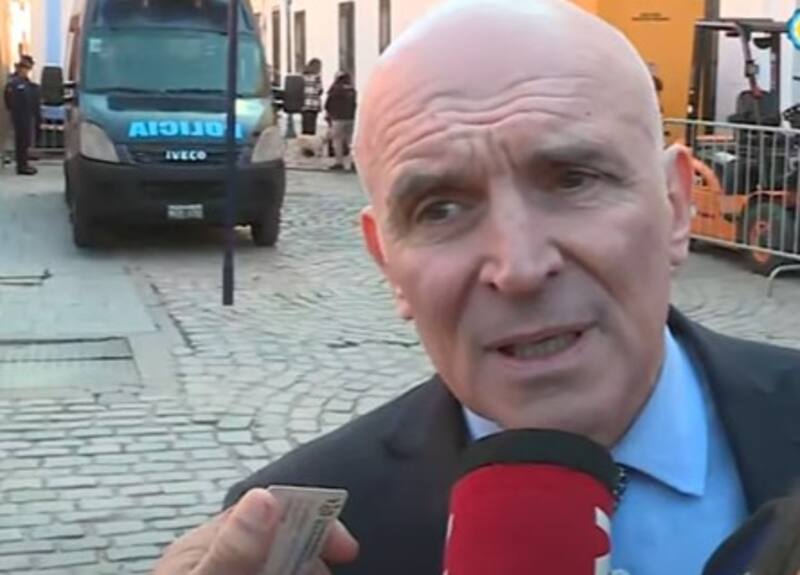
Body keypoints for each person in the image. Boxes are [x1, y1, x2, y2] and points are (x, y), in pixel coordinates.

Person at [153, 1, 800, 574]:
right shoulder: (291, 543)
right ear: (387, 262)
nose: (518, 267)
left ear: (676, 207)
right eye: (440, 209)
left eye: (573, 179)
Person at [3, 54, 39, 175]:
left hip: (26, 115)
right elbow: (9, 100)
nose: (26, 71)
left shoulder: (25, 82)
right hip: (19, 115)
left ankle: (24, 163)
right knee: (21, 141)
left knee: (25, 140)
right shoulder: (14, 82)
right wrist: (16, 112)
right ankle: (22, 166)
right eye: (25, 68)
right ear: (20, 68)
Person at [324, 71, 357, 172]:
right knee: (350, 141)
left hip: (337, 118)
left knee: (337, 140)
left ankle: (339, 162)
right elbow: (354, 104)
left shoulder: (335, 89)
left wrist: (329, 115)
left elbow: (328, 104)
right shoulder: (352, 90)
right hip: (350, 118)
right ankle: (353, 162)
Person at [302, 58, 323, 136]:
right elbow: (319, 90)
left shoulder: (303, 76)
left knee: (305, 125)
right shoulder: (317, 77)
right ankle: (310, 140)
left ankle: (305, 139)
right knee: (312, 127)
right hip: (313, 104)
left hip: (304, 104)